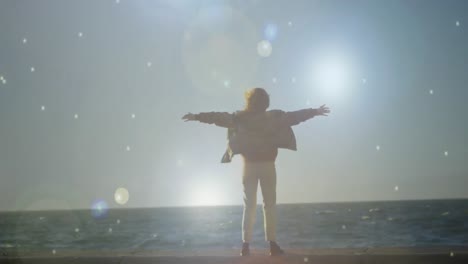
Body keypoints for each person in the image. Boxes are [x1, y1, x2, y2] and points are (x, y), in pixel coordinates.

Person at [182, 88, 330, 256]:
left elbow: (218, 117)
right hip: (267, 166)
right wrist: (315, 111)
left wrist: (196, 116)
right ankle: (272, 245)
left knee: (249, 205)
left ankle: (246, 246)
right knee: (269, 205)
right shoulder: (272, 118)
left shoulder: (240, 118)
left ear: (249, 101)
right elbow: (295, 117)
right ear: (265, 102)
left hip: (249, 167)